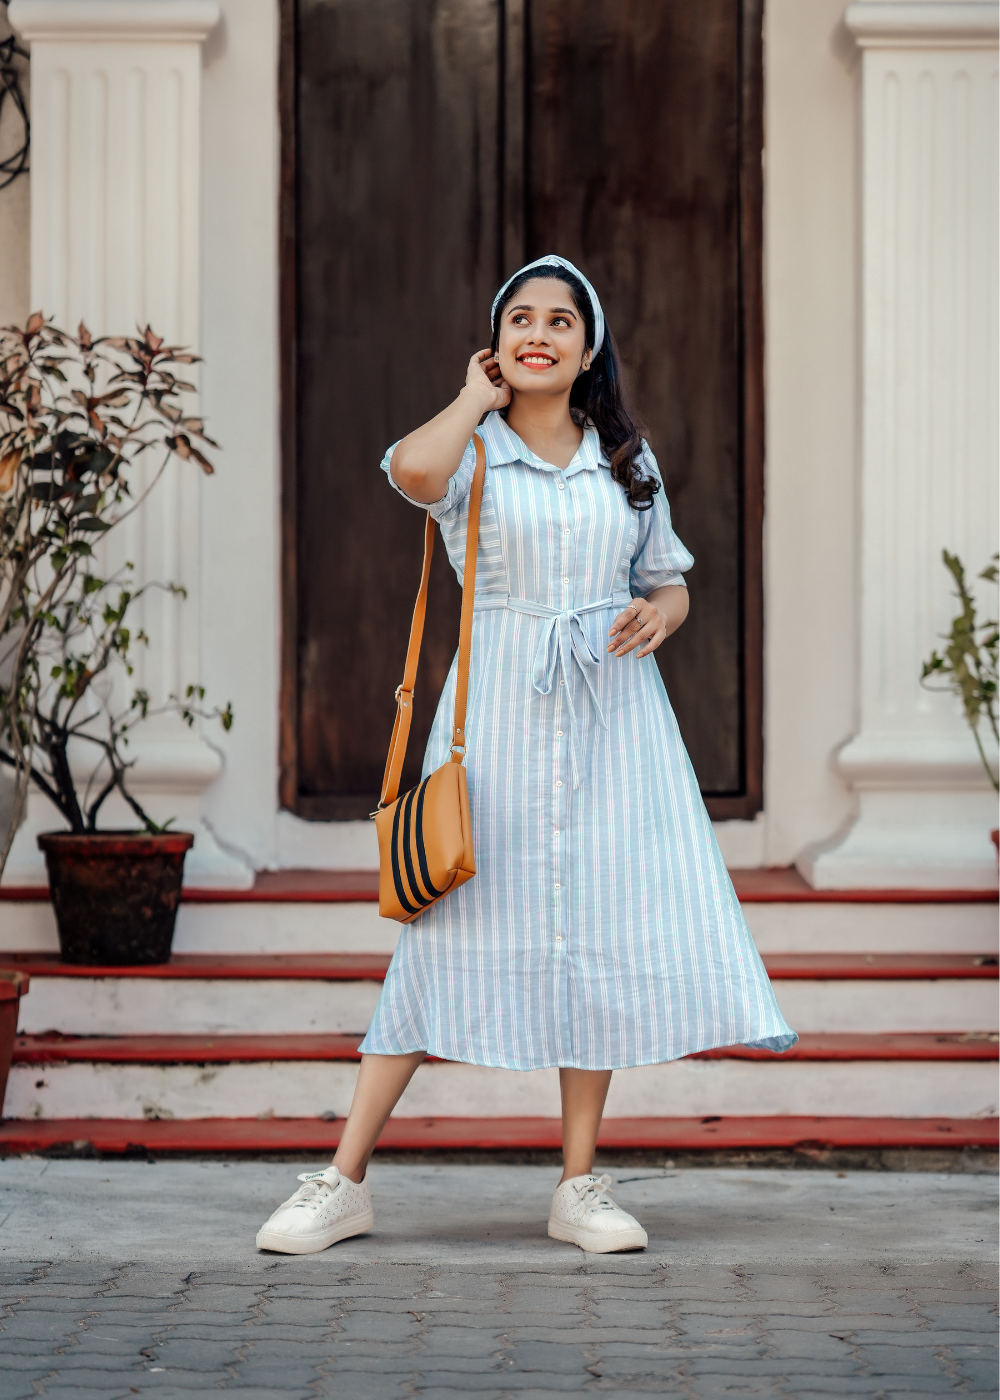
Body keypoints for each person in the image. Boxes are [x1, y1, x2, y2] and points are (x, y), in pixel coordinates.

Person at [256, 255, 796, 1256]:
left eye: (559, 320)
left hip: (612, 721)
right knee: (439, 934)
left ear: (588, 349)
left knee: (591, 937)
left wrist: (658, 616)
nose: (536, 332)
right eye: (518, 320)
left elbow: (668, 578)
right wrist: (471, 395)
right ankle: (342, 1178)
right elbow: (411, 474)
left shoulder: (626, 461)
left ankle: (579, 1181)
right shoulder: (473, 449)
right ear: (496, 343)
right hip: (494, 717)